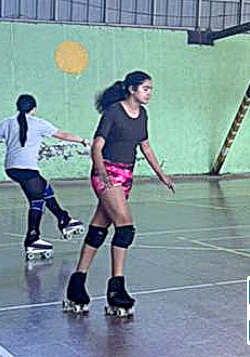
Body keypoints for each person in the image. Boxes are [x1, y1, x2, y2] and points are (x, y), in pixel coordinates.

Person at [63, 71, 175, 316]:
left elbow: (145, 146)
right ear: (132, 89)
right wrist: (101, 170)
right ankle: (116, 287)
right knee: (125, 226)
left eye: (150, 89)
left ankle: (77, 282)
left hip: (126, 176)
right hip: (108, 174)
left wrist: (161, 174)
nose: (149, 93)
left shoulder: (142, 114)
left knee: (100, 226)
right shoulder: (113, 112)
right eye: (146, 88)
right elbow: (98, 145)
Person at [0, 94, 88, 260]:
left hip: (12, 168)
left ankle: (64, 219)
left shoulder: (7, 123)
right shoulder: (39, 124)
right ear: (34, 109)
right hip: (27, 170)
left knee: (44, 187)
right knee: (37, 201)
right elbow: (62, 135)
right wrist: (82, 140)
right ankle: (33, 238)